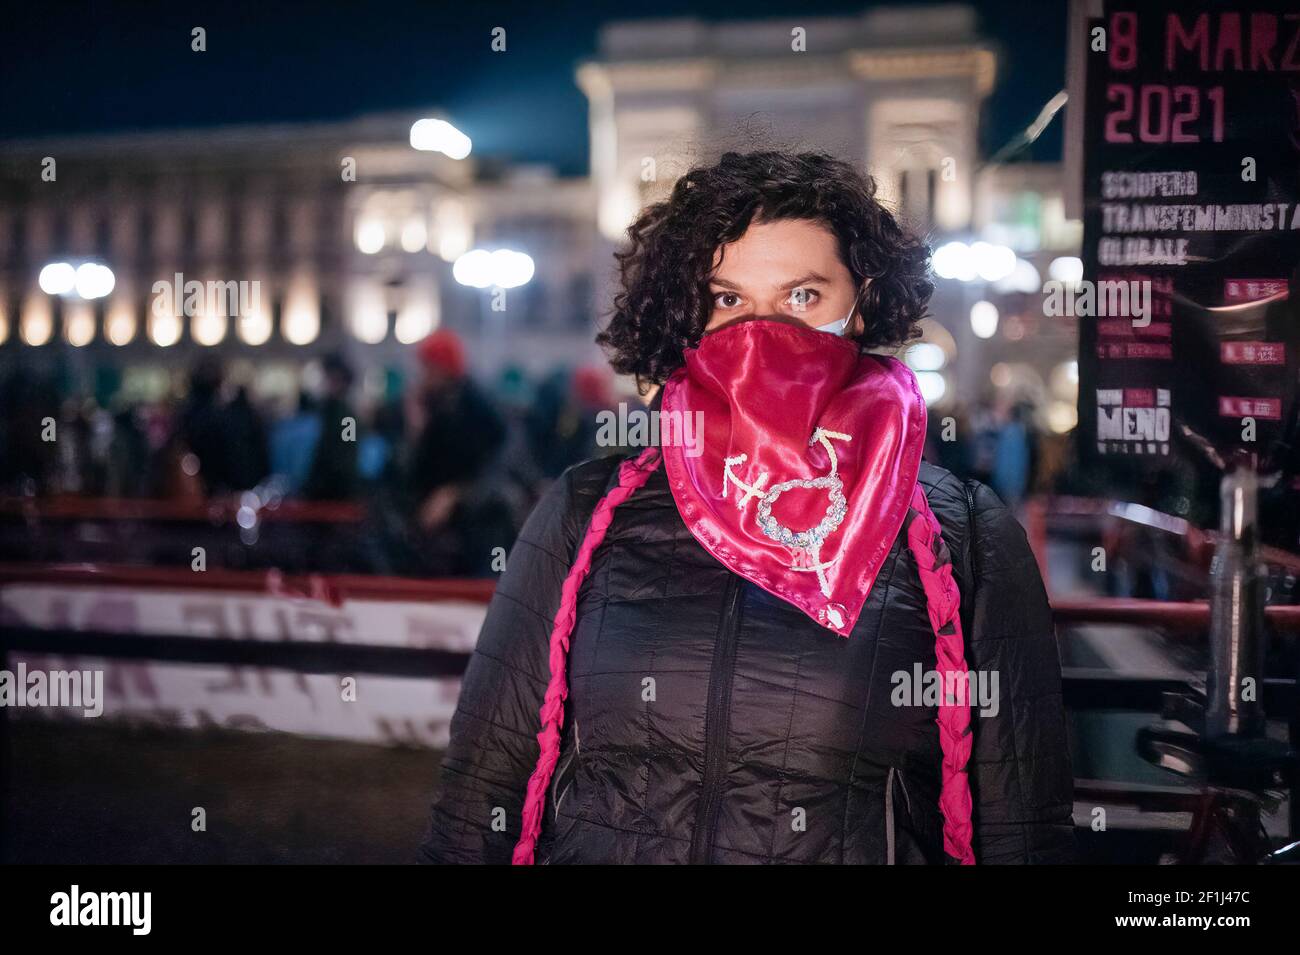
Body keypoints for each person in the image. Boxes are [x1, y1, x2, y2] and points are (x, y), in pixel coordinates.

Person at [419, 151, 1075, 865]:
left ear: (862, 308)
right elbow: (483, 787)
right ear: (688, 314)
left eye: (802, 296)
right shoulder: (586, 512)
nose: (761, 331)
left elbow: (1023, 830)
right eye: (728, 299)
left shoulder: (963, 540)